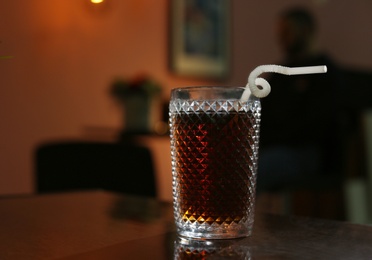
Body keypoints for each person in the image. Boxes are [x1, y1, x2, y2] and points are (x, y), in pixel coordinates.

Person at [256, 7, 347, 192]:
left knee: (255, 170)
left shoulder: (325, 73)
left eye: (287, 31)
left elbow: (317, 125)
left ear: (305, 31)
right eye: (280, 32)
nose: (281, 38)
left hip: (307, 153)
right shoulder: (279, 74)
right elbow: (262, 114)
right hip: (273, 149)